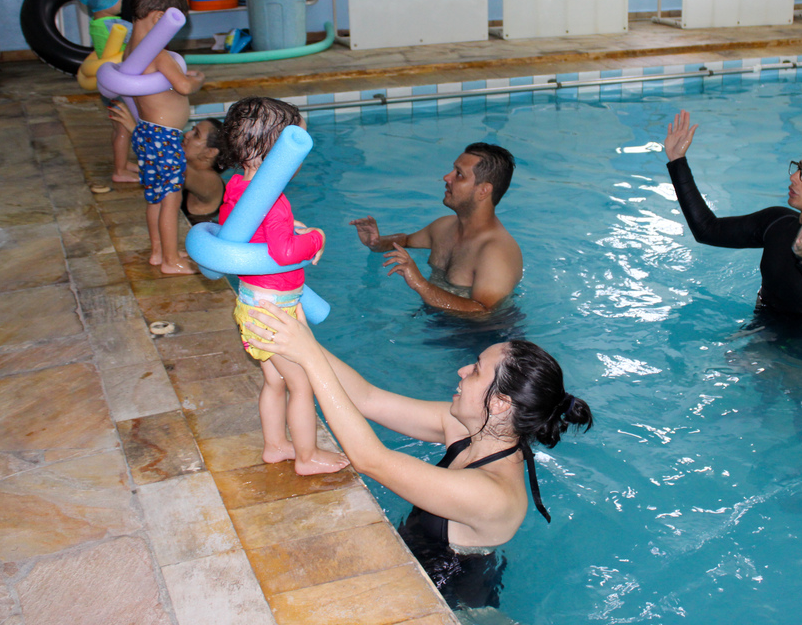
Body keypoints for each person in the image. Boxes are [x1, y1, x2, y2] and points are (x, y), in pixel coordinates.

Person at [242, 301, 593, 609]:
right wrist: (300, 339)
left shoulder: (493, 494)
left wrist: (309, 357)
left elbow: (371, 459)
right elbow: (367, 399)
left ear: (500, 403)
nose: (462, 371)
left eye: (475, 369)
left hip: (449, 597)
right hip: (423, 562)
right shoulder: (468, 430)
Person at [218, 97, 346, 475]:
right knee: (301, 383)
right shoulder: (273, 200)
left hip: (254, 303)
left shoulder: (237, 186)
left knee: (275, 381)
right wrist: (316, 239)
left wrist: (290, 229)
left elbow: (241, 230)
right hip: (275, 309)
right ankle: (307, 457)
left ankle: (275, 445)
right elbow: (284, 252)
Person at [663, 109, 802, 320]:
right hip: (761, 327)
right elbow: (706, 230)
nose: (794, 177)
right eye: (799, 168)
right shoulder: (777, 222)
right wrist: (677, 161)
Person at [351, 143, 523, 314]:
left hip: (479, 331)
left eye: (459, 174)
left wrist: (420, 284)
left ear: (483, 190)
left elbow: (484, 312)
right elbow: (406, 240)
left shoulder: (496, 252)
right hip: (436, 319)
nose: (446, 177)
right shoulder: (444, 227)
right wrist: (378, 243)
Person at [125, 0, 205, 275]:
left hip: (146, 133)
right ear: (161, 19)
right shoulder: (157, 53)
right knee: (171, 199)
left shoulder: (131, 49)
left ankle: (159, 251)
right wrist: (197, 80)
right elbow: (183, 86)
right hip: (165, 138)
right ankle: (171, 261)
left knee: (155, 198)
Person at [109, 102, 225, 225]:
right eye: (192, 130)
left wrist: (136, 131)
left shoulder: (212, 182)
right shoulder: (187, 169)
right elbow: (164, 166)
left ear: (210, 152)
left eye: (196, 135)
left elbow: (173, 165)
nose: (186, 134)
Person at [76, 0, 136, 184]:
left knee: (117, 129)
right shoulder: (115, 26)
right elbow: (141, 40)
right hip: (120, 87)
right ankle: (119, 171)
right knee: (123, 130)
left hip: (109, 84)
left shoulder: (96, 24)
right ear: (108, 1)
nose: (121, 0)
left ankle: (122, 163)